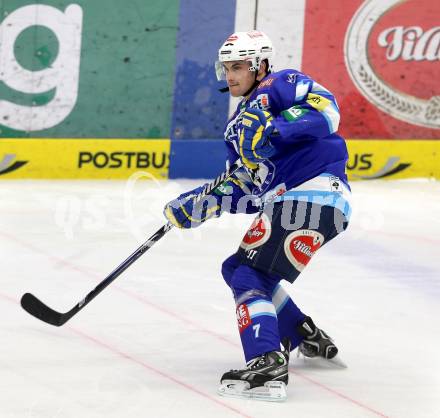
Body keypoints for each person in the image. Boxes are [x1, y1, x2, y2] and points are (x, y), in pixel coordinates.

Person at [163, 30, 352, 401]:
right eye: (226, 68)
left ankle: (266, 360)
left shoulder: (281, 84)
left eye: (238, 67)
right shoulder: (235, 129)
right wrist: (202, 202)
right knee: (237, 268)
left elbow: (328, 111)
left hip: (314, 192)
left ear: (260, 65)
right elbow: (250, 188)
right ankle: (301, 333)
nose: (230, 75)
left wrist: (276, 127)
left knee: (250, 273)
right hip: (297, 202)